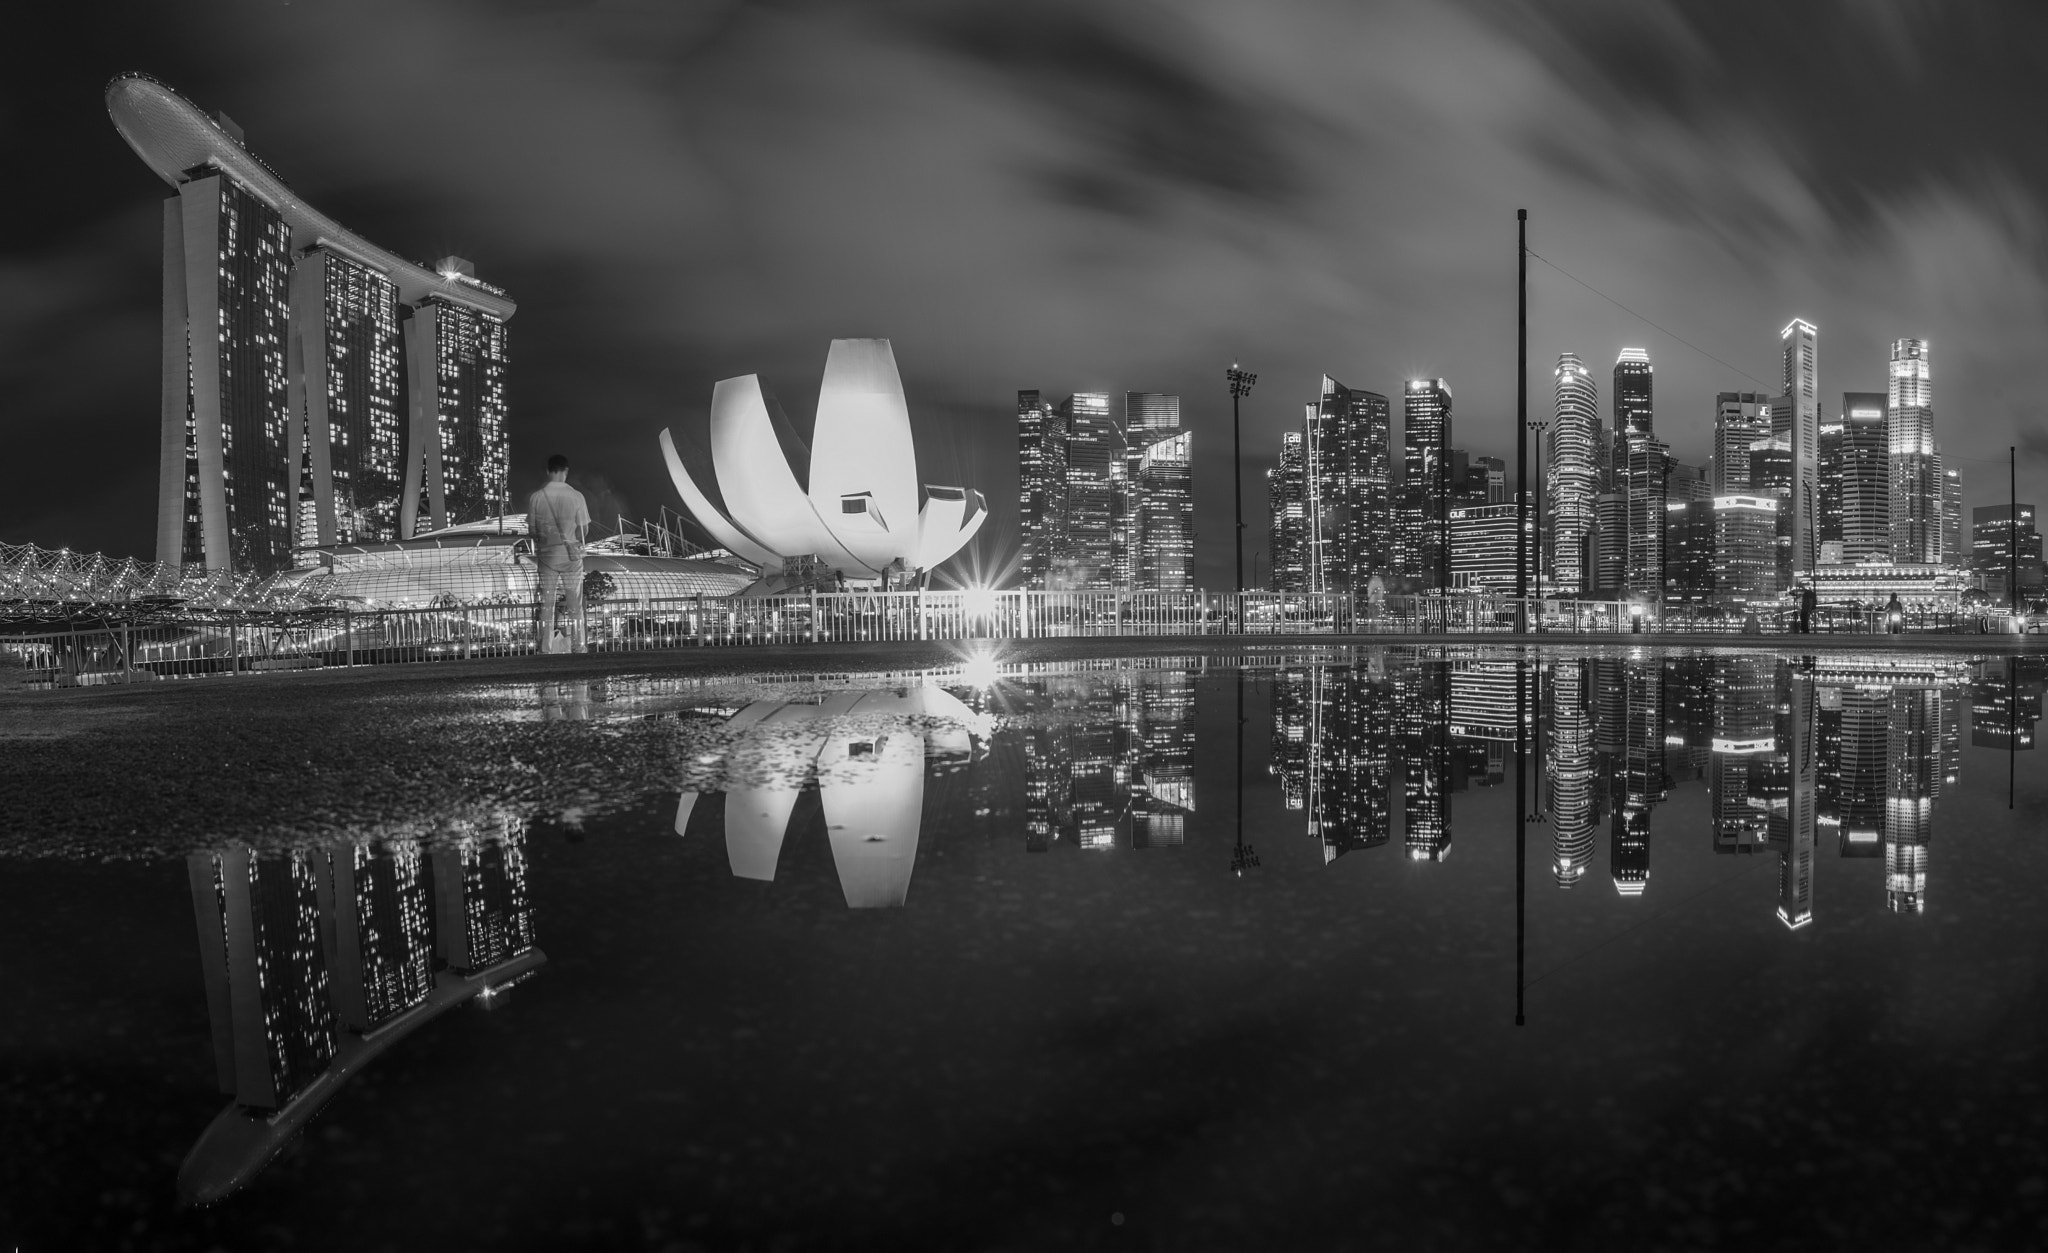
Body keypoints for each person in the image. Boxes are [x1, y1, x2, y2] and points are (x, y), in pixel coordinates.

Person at [528, 454, 591, 653]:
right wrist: (573, 539)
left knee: (547, 604)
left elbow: (532, 531)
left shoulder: (537, 497)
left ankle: (545, 648)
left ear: (548, 471)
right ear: (566, 471)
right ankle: (579, 646)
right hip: (570, 556)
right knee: (575, 604)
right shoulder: (576, 496)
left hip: (547, 556)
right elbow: (584, 530)